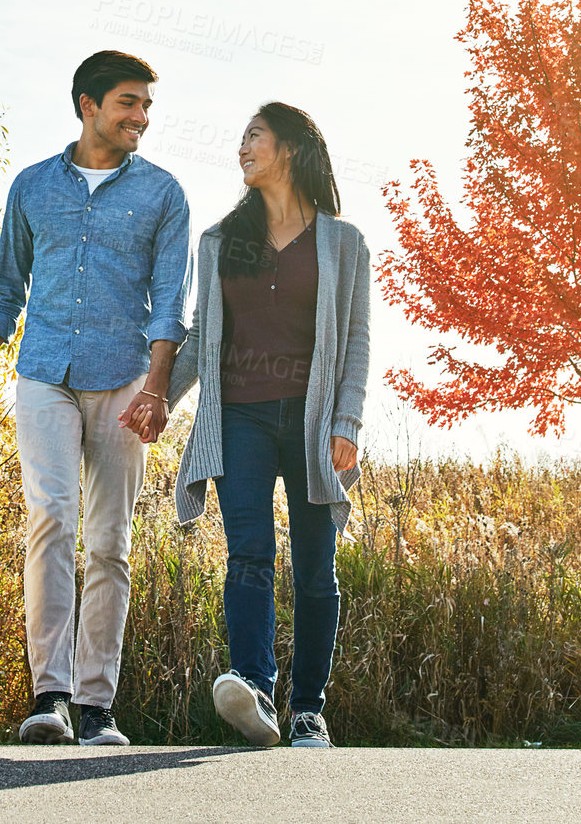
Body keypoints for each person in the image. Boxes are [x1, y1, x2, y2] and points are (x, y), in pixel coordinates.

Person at [0, 50, 190, 747]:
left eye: (145, 105)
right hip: (44, 373)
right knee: (50, 520)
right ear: (88, 105)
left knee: (109, 540)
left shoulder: (163, 194)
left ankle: (97, 706)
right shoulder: (31, 188)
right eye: (128, 103)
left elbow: (171, 303)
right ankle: (48, 697)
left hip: (123, 380)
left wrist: (156, 387)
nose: (140, 117)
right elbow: (5, 289)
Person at [130, 102, 368, 748]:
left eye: (253, 137)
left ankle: (307, 710)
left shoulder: (342, 244)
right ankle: (255, 688)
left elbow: (355, 341)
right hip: (239, 418)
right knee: (249, 556)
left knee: (316, 568)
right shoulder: (219, 242)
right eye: (240, 139)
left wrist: (347, 420)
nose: (242, 148)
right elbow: (203, 334)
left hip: (315, 422)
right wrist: (161, 397)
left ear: (288, 149)